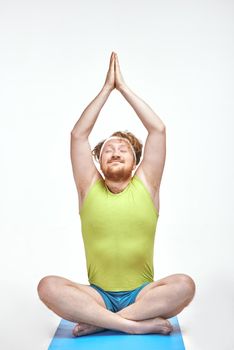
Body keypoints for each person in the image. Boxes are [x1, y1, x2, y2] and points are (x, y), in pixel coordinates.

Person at [37, 52, 196, 337]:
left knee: (185, 285)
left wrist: (122, 87)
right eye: (109, 149)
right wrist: (105, 90)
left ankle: (101, 323)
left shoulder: (147, 185)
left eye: (123, 149)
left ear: (136, 162)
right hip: (97, 296)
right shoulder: (89, 187)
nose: (115, 152)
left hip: (142, 295)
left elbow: (157, 129)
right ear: (99, 161)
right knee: (47, 286)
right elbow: (78, 136)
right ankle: (131, 325)